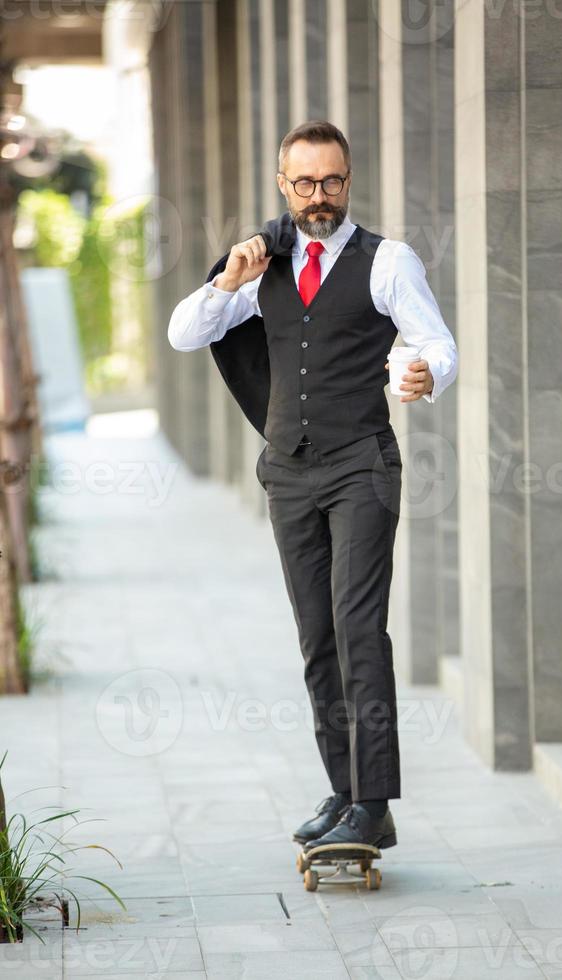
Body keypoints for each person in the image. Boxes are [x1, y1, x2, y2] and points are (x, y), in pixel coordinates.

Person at [168, 120, 458, 852]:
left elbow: (434, 343)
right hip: (289, 474)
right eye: (304, 183)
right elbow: (183, 333)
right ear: (282, 183)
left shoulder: (388, 261)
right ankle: (344, 791)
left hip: (362, 466)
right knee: (317, 639)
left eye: (331, 181)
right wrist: (226, 282)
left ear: (348, 179)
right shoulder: (261, 265)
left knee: (360, 630)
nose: (318, 196)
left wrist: (422, 375)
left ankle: (376, 802)